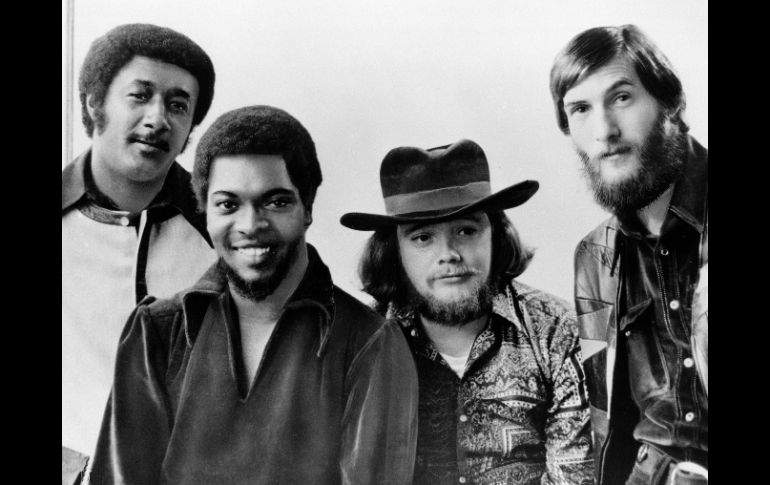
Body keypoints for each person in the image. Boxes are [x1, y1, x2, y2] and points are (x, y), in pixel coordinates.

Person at [88, 105, 419, 484]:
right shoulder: (156, 334)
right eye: (228, 204)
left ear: (307, 208)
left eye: (275, 202)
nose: (250, 225)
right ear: (205, 212)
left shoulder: (370, 344)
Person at [341, 139, 594, 485]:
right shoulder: (362, 344)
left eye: (466, 230)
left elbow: (576, 476)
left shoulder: (558, 331)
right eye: (423, 238)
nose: (449, 254)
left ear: (496, 235)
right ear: (393, 252)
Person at [549, 24, 708, 485]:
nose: (605, 131)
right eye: (580, 109)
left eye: (621, 98)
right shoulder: (594, 256)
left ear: (671, 102)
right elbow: (611, 427)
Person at [62, 23, 218, 459]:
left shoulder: (222, 232)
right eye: (139, 95)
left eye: (178, 105)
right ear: (94, 103)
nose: (158, 119)